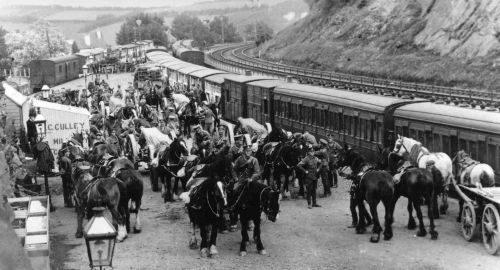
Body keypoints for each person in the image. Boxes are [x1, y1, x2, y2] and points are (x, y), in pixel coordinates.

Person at [297, 144, 322, 209]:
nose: (312, 153)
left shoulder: (316, 158)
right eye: (311, 152)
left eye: (313, 151)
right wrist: (305, 171)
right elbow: (299, 165)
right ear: (308, 152)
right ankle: (309, 204)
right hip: (308, 177)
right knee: (309, 191)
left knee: (314, 190)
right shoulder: (306, 159)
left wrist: (318, 169)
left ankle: (314, 203)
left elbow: (321, 162)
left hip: (314, 176)